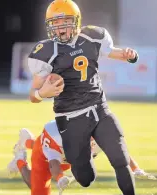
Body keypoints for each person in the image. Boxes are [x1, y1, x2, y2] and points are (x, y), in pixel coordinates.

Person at [27, 0, 140, 194]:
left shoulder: (92, 37)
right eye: (55, 23)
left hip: (98, 107)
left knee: (120, 158)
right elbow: (33, 95)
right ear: (49, 25)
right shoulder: (45, 51)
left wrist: (130, 55)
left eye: (65, 21)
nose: (60, 27)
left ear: (76, 22)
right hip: (70, 118)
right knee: (85, 177)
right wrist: (41, 93)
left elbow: (113, 53)